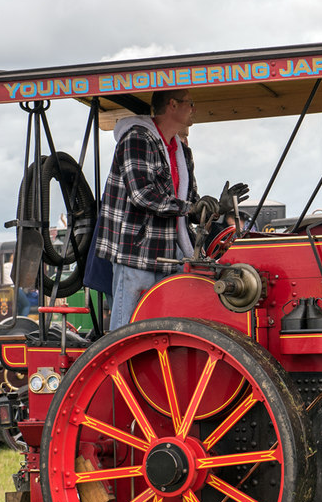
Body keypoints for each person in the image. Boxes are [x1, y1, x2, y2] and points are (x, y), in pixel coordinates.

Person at [93, 88, 245, 329]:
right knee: (128, 328)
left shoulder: (182, 151)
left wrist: (214, 208)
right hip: (137, 252)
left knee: (166, 327)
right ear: (172, 105)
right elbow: (142, 195)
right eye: (190, 103)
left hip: (170, 254)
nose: (194, 109)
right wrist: (191, 207)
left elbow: (190, 205)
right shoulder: (137, 138)